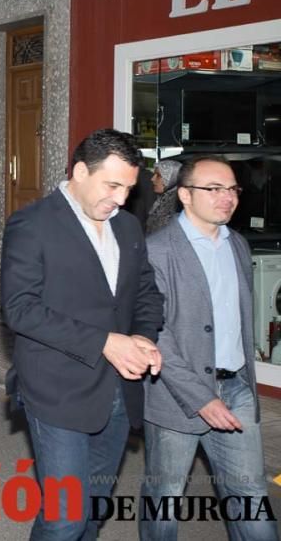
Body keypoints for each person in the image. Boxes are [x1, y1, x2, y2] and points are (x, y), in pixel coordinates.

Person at [0, 128, 164, 539]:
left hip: (118, 395)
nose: (122, 199)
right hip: (57, 391)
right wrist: (106, 342)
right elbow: (21, 310)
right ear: (78, 171)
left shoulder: (127, 227)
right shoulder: (32, 224)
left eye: (128, 188)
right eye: (112, 185)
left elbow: (144, 293)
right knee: (65, 518)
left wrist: (143, 337)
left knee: (93, 511)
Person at [140, 156, 277, 540]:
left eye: (232, 189)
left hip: (236, 390)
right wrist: (201, 397)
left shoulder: (238, 245)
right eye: (213, 189)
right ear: (184, 195)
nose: (227, 197)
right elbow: (156, 331)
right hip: (175, 394)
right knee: (164, 498)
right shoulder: (157, 250)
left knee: (250, 493)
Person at [146, 159, 182, 235]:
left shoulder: (178, 206)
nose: (153, 179)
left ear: (172, 178)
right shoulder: (163, 200)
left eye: (158, 175)